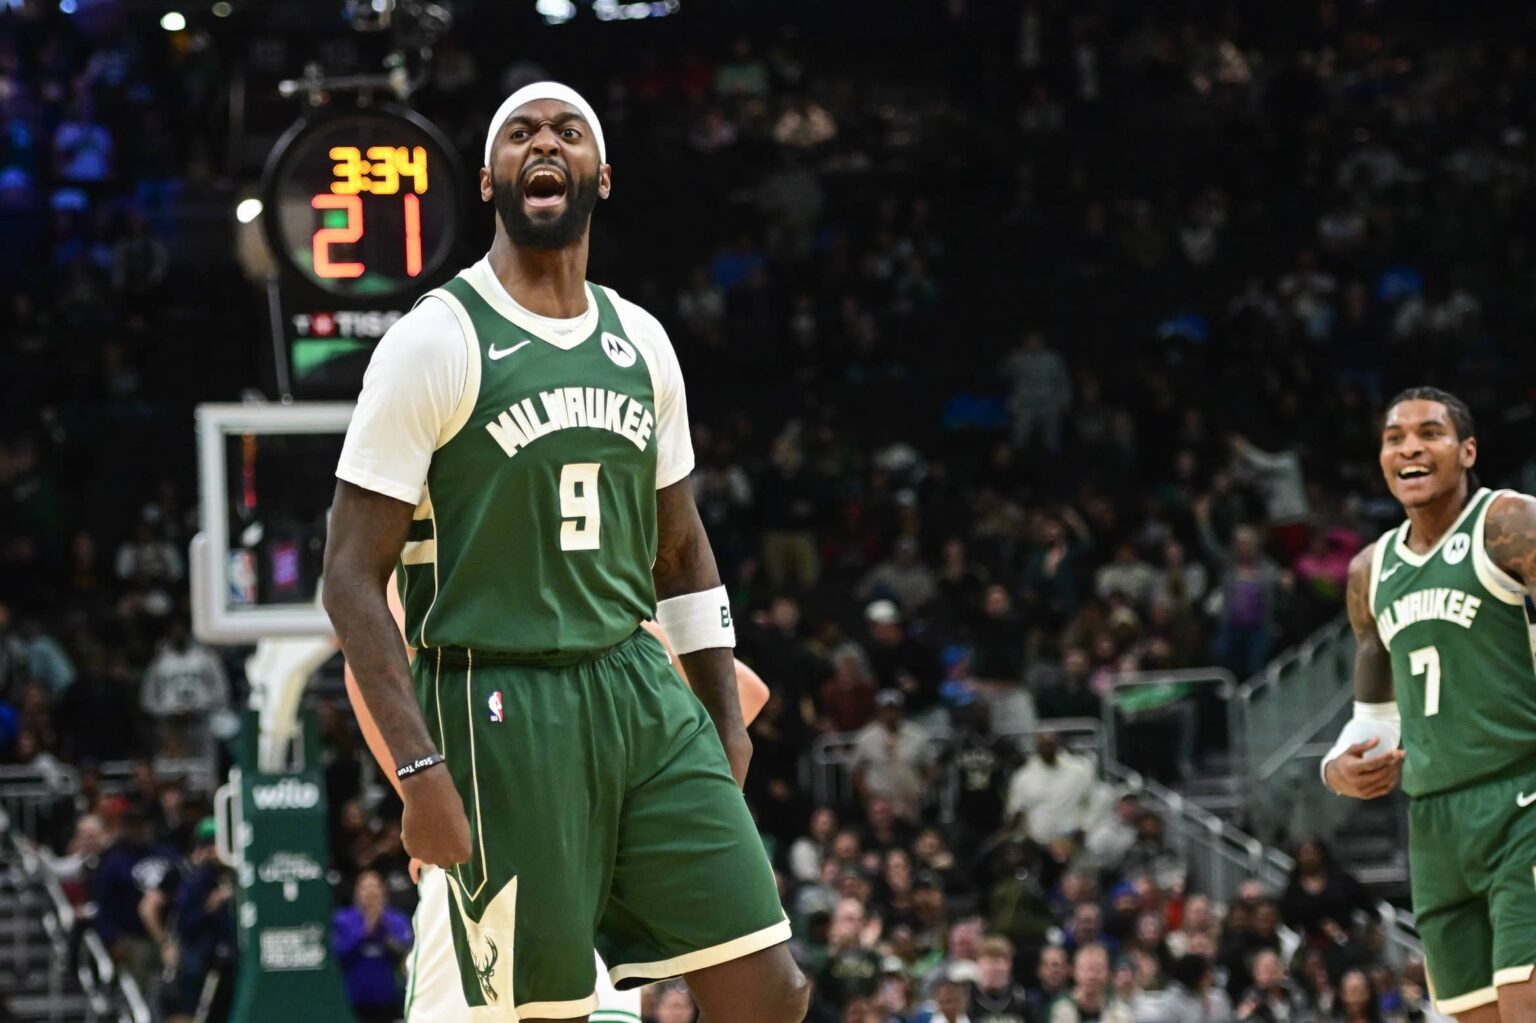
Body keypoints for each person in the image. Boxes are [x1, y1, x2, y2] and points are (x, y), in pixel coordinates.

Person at [323, 82, 806, 1022]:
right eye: (521, 133)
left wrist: (724, 716)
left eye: (568, 131)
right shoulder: (436, 339)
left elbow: (682, 549)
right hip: (501, 694)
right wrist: (420, 773)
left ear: (603, 176)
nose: (545, 143)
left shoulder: (643, 341)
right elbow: (348, 578)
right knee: (552, 1014)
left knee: (770, 987)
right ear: (492, 183)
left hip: (636, 683)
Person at [344, 577, 771, 1022]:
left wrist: (428, 802)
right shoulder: (615, 626)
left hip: (490, 863)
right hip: (591, 874)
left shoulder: (477, 581)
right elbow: (745, 693)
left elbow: (363, 663)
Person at [1320, 387, 1536, 1021]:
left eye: (1430, 433)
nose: (1410, 447)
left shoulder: (1508, 524)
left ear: (1467, 451)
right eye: (1395, 437)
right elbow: (1374, 722)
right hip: (1435, 825)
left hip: (1522, 799)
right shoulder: (1370, 571)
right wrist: (1338, 770)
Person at [334, 870, 415, 1023]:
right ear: (357, 891)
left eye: (374, 887)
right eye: (366, 887)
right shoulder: (343, 920)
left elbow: (406, 953)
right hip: (354, 1004)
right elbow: (339, 954)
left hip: (391, 1003)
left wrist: (382, 928)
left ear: (383, 891)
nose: (371, 892)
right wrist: (365, 930)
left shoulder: (396, 920)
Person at [851, 689, 938, 824]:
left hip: (909, 802)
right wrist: (869, 797)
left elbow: (931, 766)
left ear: (901, 711)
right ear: (879, 711)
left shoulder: (918, 735)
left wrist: (921, 788)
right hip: (880, 803)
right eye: (886, 710)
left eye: (894, 710)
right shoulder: (865, 737)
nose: (890, 715)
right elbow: (855, 771)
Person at [1050, 943, 1134, 1023]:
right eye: (1086, 969)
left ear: (1108, 972)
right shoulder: (1060, 1009)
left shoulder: (1120, 1013)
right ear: (1073, 971)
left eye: (1098, 970)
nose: (1092, 976)